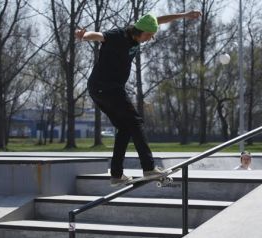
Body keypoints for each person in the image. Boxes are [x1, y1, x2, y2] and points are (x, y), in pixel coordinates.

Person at [75, 11, 202, 186]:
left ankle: (116, 175)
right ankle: (149, 167)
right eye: (148, 36)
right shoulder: (118, 35)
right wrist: (84, 35)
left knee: (125, 128)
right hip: (107, 87)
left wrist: (185, 14)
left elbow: (159, 19)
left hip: (101, 89)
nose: (149, 39)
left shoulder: (142, 26)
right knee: (135, 122)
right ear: (140, 31)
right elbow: (99, 36)